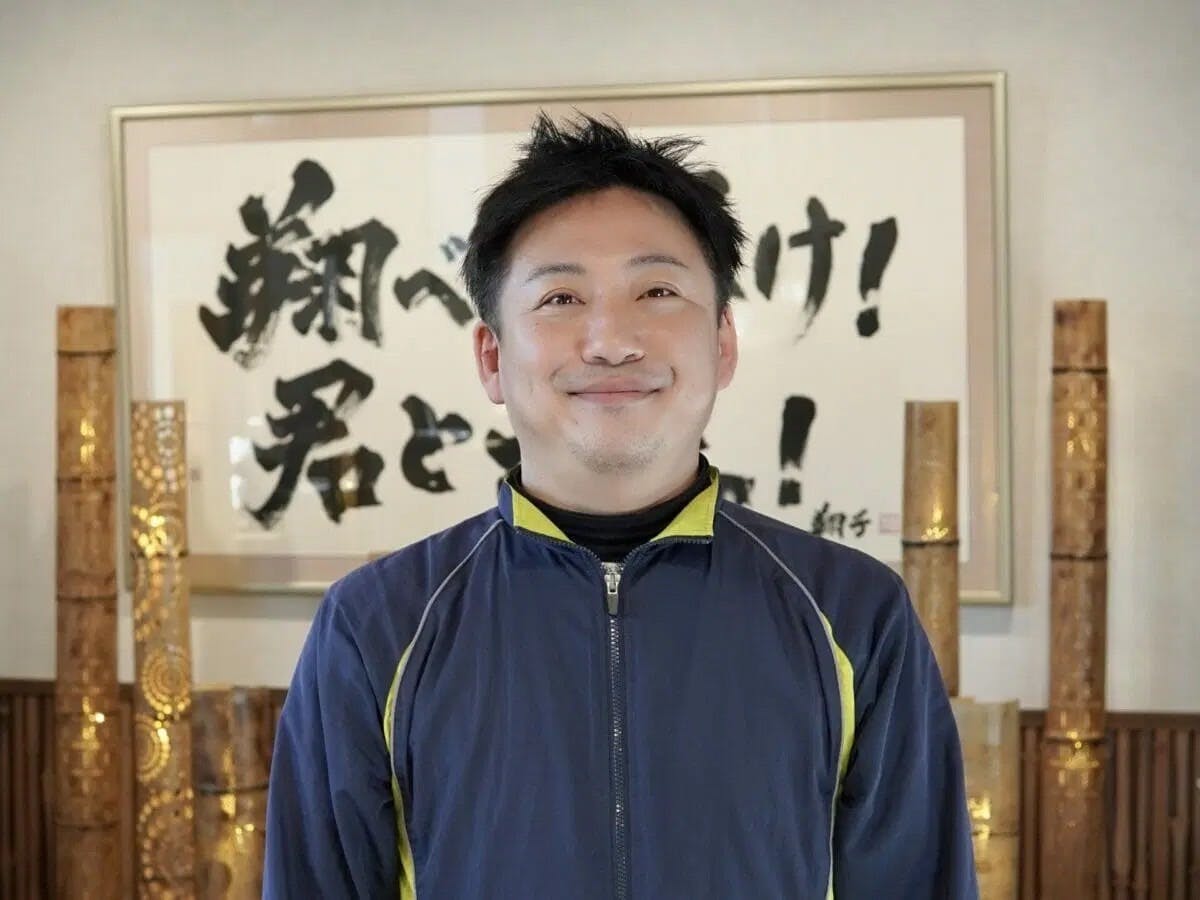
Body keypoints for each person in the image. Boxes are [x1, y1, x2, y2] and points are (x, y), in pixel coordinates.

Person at [264, 113, 978, 899]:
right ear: (492, 356)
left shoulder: (853, 614)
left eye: (658, 291)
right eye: (561, 297)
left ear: (724, 344)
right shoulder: (376, 627)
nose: (610, 341)